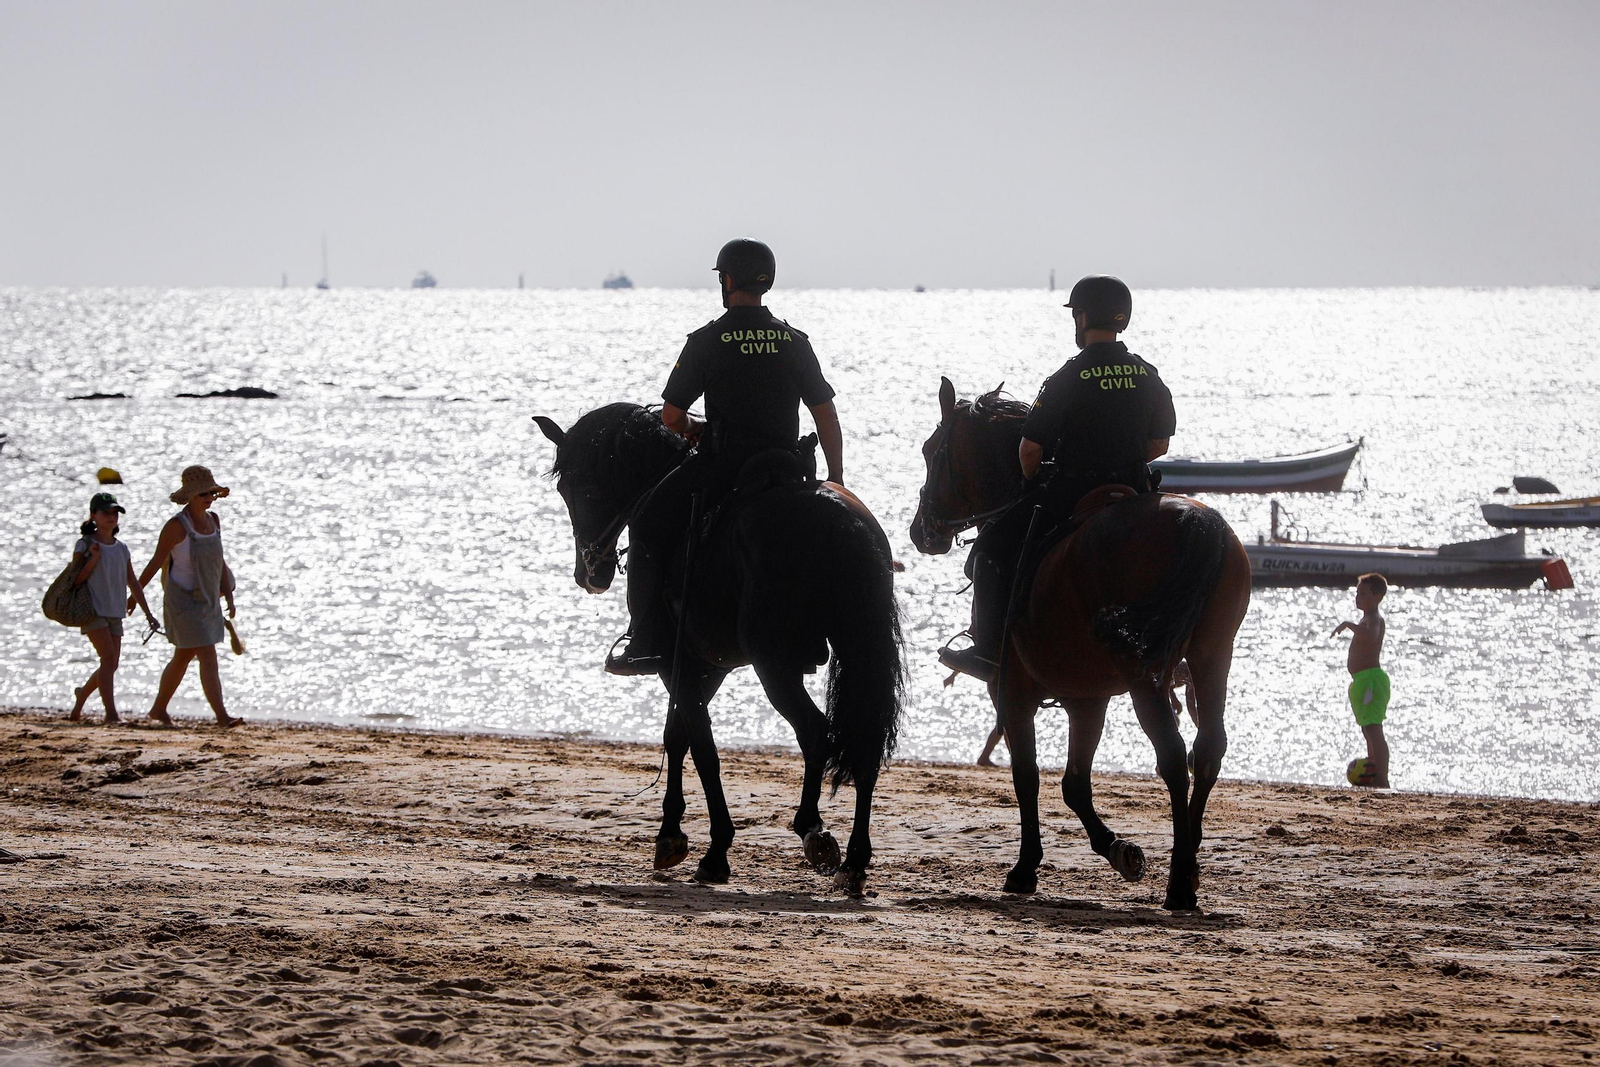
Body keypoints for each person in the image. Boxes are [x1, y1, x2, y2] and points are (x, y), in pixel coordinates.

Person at [605, 238, 843, 675]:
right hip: (788, 466)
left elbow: (671, 416)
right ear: (766, 282)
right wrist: (837, 477)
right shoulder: (794, 340)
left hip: (723, 468)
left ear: (729, 280)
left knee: (648, 524)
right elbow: (825, 413)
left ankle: (644, 639)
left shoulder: (708, 340)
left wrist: (693, 429)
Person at [941, 275, 1175, 683]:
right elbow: (1159, 444)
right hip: (1135, 488)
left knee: (992, 550)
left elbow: (1029, 450)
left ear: (1082, 317)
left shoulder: (1069, 376)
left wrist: (1036, 481)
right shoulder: (1147, 374)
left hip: (1072, 490)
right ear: (1122, 318)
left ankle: (989, 652)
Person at [135, 466, 242, 727]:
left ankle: (158, 709)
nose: (209, 498)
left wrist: (229, 596)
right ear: (190, 496)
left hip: (208, 599)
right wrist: (135, 596)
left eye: (211, 493)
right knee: (208, 656)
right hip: (182, 602)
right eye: (203, 493)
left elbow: (219, 561)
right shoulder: (176, 526)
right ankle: (222, 716)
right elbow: (155, 562)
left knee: (183, 657)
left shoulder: (214, 521)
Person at [68, 492, 159, 724]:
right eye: (106, 512)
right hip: (92, 610)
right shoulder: (85, 544)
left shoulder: (121, 548)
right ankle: (111, 714)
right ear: (93, 516)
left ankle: (82, 696)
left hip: (115, 611)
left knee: (111, 663)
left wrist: (148, 613)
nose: (111, 517)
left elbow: (133, 582)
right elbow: (75, 579)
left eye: (115, 513)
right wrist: (92, 559)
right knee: (108, 659)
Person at [1332, 572, 1390, 788]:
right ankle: (1372, 772)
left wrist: (1348, 625)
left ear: (1377, 597)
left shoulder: (1373, 619)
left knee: (1374, 730)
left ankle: (1382, 778)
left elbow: (1370, 636)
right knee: (1367, 729)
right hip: (1361, 680)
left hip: (1371, 681)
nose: (1358, 598)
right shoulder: (1366, 619)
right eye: (1357, 593)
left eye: (1364, 594)